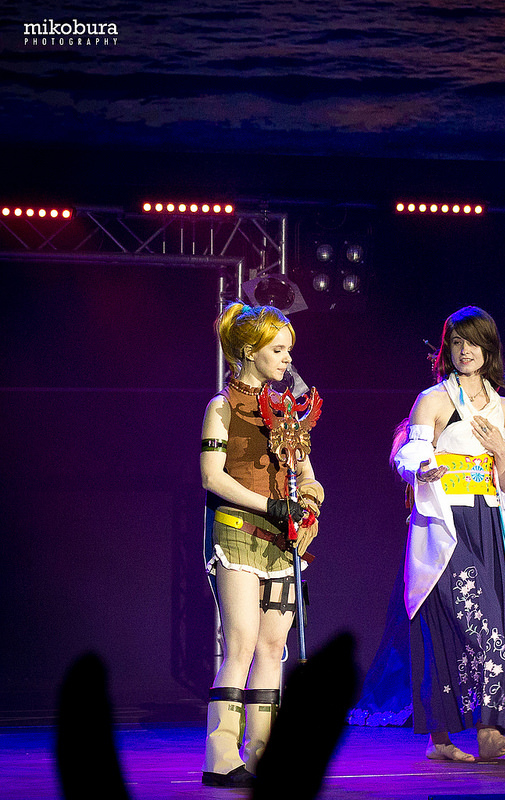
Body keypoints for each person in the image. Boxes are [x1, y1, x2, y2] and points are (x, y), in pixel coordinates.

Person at [393, 305, 505, 762]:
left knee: (490, 627)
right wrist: (422, 469)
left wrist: (502, 456)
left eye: (472, 342)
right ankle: (478, 733)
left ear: (489, 348)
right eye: (456, 343)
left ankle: (454, 737)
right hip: (447, 526)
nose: (464, 351)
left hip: (487, 525)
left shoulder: (504, 410)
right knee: (480, 624)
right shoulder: (433, 400)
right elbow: (409, 453)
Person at [200, 302, 324, 788]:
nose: (287, 359)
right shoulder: (222, 406)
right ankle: (220, 757)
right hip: (237, 531)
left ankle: (261, 756)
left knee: (274, 647)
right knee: (242, 643)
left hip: (282, 539)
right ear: (250, 351)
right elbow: (212, 477)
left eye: (289, 350)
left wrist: (309, 504)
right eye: (278, 350)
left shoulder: (289, 409)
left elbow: (308, 474)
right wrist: (270, 506)